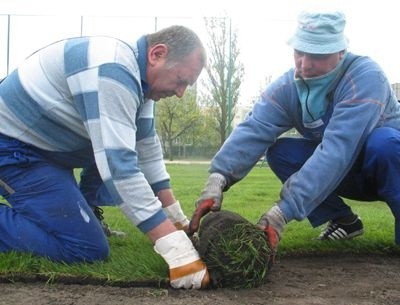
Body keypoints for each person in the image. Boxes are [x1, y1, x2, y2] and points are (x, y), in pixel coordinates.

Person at [0, 25, 209, 289]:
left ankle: (85, 214)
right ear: (157, 54)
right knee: (85, 248)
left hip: (47, 148)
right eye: (181, 81)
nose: (181, 93)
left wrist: (175, 219)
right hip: (14, 147)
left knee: (120, 141)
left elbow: (146, 150)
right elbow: (118, 166)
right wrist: (177, 251)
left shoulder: (138, 81)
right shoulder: (113, 70)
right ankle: (82, 224)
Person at [189, 11, 400, 254]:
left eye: (317, 55)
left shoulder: (365, 78)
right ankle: (343, 220)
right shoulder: (289, 87)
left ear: (340, 52)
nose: (305, 64)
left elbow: (337, 150)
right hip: (345, 173)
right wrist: (218, 178)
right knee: (280, 152)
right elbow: (255, 127)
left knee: (384, 144)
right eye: (300, 52)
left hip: (386, 169)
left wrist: (283, 211)